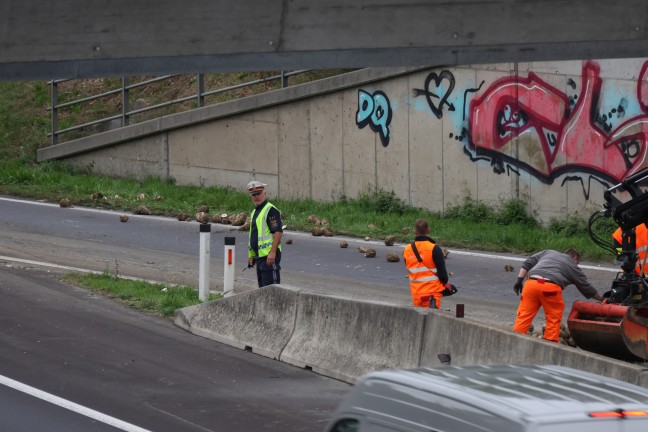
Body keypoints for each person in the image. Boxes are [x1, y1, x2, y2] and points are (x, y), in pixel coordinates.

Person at [512, 248, 603, 342]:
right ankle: (549, 343)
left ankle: (516, 340)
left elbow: (528, 262)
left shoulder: (548, 252)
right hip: (550, 287)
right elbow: (586, 287)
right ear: (575, 257)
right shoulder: (573, 266)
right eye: (578, 262)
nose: (577, 264)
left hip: (530, 284)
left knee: (523, 315)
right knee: (553, 318)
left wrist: (519, 280)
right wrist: (601, 298)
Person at [402, 219, 450, 309]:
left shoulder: (407, 250)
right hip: (432, 295)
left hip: (416, 295)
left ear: (414, 231)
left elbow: (410, 269)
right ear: (428, 230)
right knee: (430, 321)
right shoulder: (434, 249)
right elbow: (443, 277)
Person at [246, 180, 283, 287]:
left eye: (258, 194)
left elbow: (278, 232)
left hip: (269, 257)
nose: (256, 196)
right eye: (253, 195)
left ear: (264, 194)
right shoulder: (255, 212)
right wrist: (251, 255)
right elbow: (254, 235)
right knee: (263, 290)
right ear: (251, 197)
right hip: (259, 257)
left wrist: (272, 252)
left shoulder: (270, 210)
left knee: (272, 290)